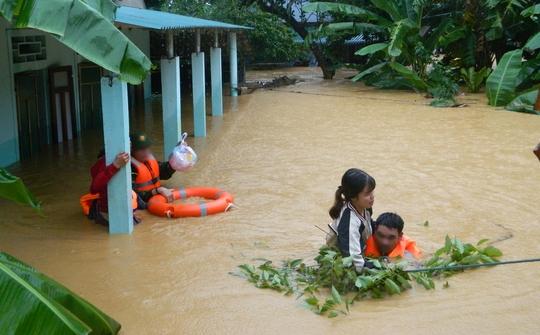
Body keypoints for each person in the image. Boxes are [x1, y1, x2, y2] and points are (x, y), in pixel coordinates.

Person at [327, 168, 376, 273]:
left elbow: (369, 224)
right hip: (343, 258)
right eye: (367, 194)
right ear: (353, 197)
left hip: (357, 246)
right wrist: (375, 268)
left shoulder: (364, 206)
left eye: (372, 191)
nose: (372, 197)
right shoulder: (350, 221)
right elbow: (353, 261)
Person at [83, 150, 140, 226]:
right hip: (107, 212)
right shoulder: (104, 165)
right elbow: (94, 188)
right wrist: (115, 166)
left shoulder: (128, 164)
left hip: (124, 211)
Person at [130, 132, 176, 207]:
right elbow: (133, 196)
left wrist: (175, 163)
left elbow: (163, 172)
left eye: (147, 148)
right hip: (144, 203)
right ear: (132, 151)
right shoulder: (131, 169)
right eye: (141, 149)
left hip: (156, 196)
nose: (146, 152)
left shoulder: (148, 160)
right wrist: (157, 191)